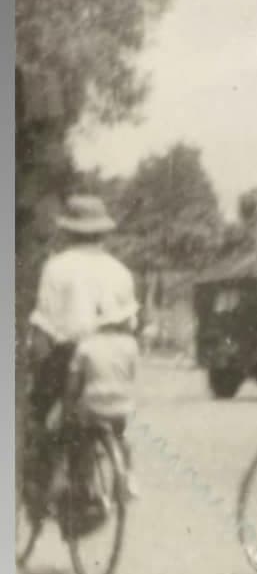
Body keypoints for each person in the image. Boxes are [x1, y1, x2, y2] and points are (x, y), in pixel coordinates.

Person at [25, 195, 138, 513]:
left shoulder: (56, 268)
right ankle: (120, 468)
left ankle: (51, 480)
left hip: (70, 354)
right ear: (102, 232)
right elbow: (130, 324)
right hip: (113, 355)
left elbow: (44, 325)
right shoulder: (120, 271)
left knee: (42, 416)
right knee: (111, 410)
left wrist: (36, 369)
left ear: (68, 231)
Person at [63, 300, 140, 500]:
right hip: (121, 404)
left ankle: (86, 481)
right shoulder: (130, 345)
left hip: (93, 406)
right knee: (121, 436)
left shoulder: (86, 346)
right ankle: (129, 476)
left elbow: (73, 385)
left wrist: (68, 405)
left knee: (83, 436)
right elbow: (131, 376)